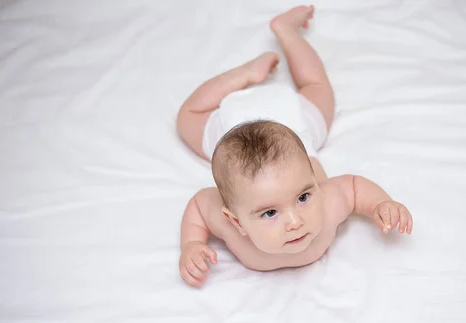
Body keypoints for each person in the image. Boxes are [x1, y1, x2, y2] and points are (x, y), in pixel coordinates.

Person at [177, 5, 413, 288]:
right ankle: (244, 74)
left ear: (315, 184)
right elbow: (199, 208)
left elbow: (352, 187)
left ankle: (286, 32)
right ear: (236, 221)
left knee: (317, 86)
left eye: (303, 197)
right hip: (232, 124)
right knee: (187, 118)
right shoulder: (225, 221)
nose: (295, 221)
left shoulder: (328, 204)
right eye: (270, 213)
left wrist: (380, 203)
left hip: (292, 120)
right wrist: (191, 244)